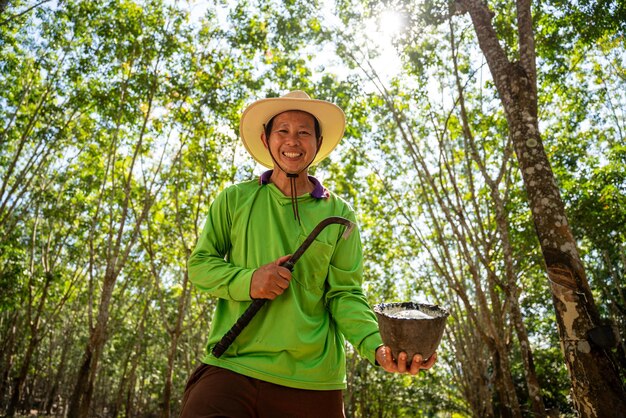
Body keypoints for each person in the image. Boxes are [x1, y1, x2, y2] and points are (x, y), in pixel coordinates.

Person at [180, 90, 437, 417]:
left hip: (314, 380)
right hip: (232, 365)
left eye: (304, 132)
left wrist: (377, 345)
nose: (293, 141)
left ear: (317, 143)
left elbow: (345, 294)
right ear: (266, 139)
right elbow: (200, 266)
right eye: (282, 131)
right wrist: (250, 281)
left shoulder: (340, 213)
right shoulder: (233, 199)